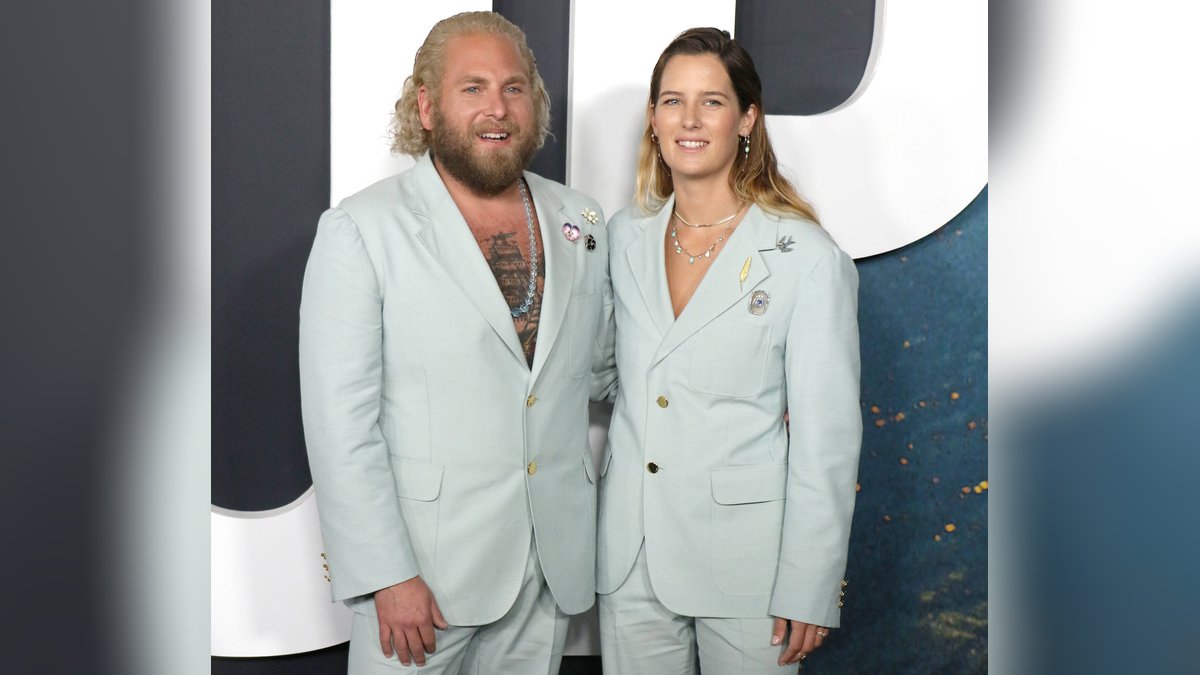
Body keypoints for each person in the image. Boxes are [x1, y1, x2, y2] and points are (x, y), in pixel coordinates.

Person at [299, 11, 614, 674]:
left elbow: (602, 368)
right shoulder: (361, 229)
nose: (497, 108)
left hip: (547, 571)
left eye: (513, 87)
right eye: (472, 88)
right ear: (428, 104)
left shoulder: (580, 220)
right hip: (423, 582)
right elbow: (340, 424)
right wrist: (387, 575)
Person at [597, 28, 862, 673]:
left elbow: (828, 439)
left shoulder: (807, 259)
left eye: (711, 102)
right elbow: (608, 375)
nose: (689, 120)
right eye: (671, 101)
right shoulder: (622, 237)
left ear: (747, 118)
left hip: (752, 569)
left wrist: (811, 583)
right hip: (631, 559)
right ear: (654, 120)